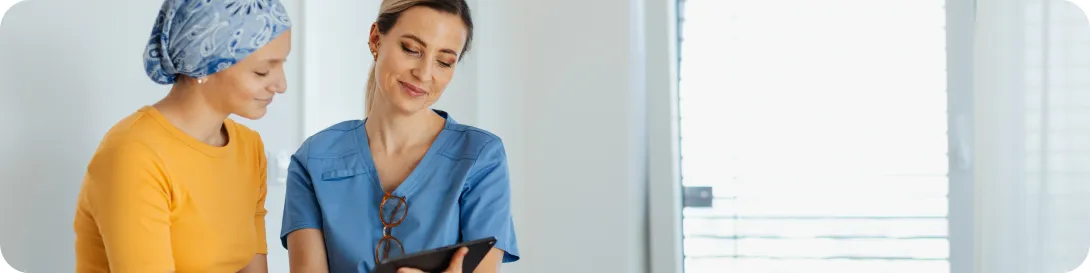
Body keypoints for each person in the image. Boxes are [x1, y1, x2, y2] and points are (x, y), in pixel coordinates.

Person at [280, 0, 519, 272]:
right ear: (375, 40)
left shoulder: (480, 156)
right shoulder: (315, 158)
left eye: (444, 62)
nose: (424, 73)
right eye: (411, 49)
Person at [72, 0, 292, 272]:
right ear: (205, 65)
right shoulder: (134, 154)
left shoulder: (249, 147)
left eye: (283, 64)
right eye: (262, 71)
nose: (281, 85)